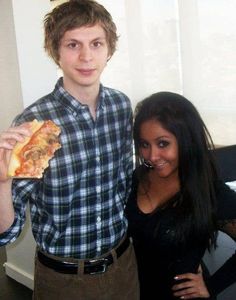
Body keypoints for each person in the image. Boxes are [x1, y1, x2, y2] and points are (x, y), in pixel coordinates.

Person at [0, 1, 139, 299]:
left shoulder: (120, 107)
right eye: (73, 44)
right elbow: (6, 233)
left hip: (124, 267)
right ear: (56, 51)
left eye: (96, 43)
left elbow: (127, 184)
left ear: (109, 49)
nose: (86, 56)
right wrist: (2, 182)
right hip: (64, 281)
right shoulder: (34, 126)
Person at [125, 91, 236, 299]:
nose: (152, 156)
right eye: (144, 144)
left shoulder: (209, 193)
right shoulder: (138, 178)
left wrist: (212, 286)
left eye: (162, 143)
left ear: (186, 140)